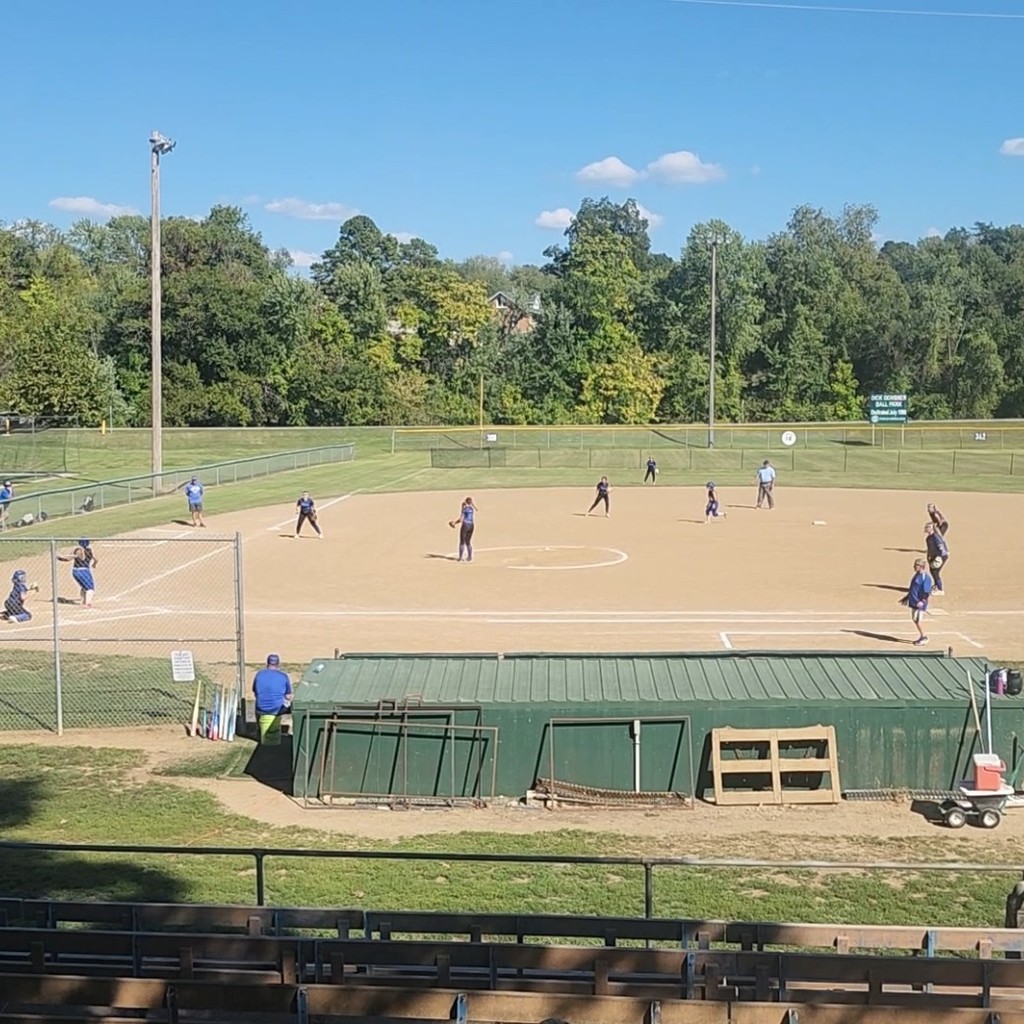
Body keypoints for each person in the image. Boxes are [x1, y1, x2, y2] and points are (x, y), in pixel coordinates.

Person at [252, 653, 293, 745]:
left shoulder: (259, 674)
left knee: (257, 704)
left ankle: (259, 729)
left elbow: (255, 692)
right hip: (277, 709)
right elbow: (288, 696)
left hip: (261, 708)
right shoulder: (283, 676)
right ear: (278, 664)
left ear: (267, 663)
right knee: (287, 705)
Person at [902, 557, 934, 646]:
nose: (914, 567)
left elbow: (926, 592)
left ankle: (924, 637)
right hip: (914, 602)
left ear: (921, 566)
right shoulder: (917, 575)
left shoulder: (925, 578)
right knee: (915, 619)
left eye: (916, 565)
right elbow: (913, 588)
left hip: (919, 603)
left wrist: (922, 602)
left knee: (918, 620)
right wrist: (907, 597)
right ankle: (922, 636)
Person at [57, 539, 98, 607]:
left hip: (75, 571)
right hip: (84, 571)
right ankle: (87, 604)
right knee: (90, 589)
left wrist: (60, 558)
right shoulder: (88, 550)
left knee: (84, 587)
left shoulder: (77, 550)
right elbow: (96, 559)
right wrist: (94, 564)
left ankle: (83, 602)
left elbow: (68, 559)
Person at [449, 496, 478, 563]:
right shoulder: (472, 509)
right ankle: (470, 557)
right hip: (472, 525)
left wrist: (454, 523)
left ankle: (460, 558)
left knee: (462, 542)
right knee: (468, 542)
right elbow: (475, 508)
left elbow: (461, 519)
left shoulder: (465, 509)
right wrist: (470, 504)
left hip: (465, 525)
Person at [924, 522, 949, 596]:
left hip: (941, 556)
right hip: (934, 556)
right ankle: (936, 586)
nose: (926, 528)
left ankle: (940, 589)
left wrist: (940, 557)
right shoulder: (928, 538)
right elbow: (930, 549)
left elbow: (941, 546)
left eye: (928, 527)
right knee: (932, 571)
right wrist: (929, 557)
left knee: (935, 572)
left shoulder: (935, 536)